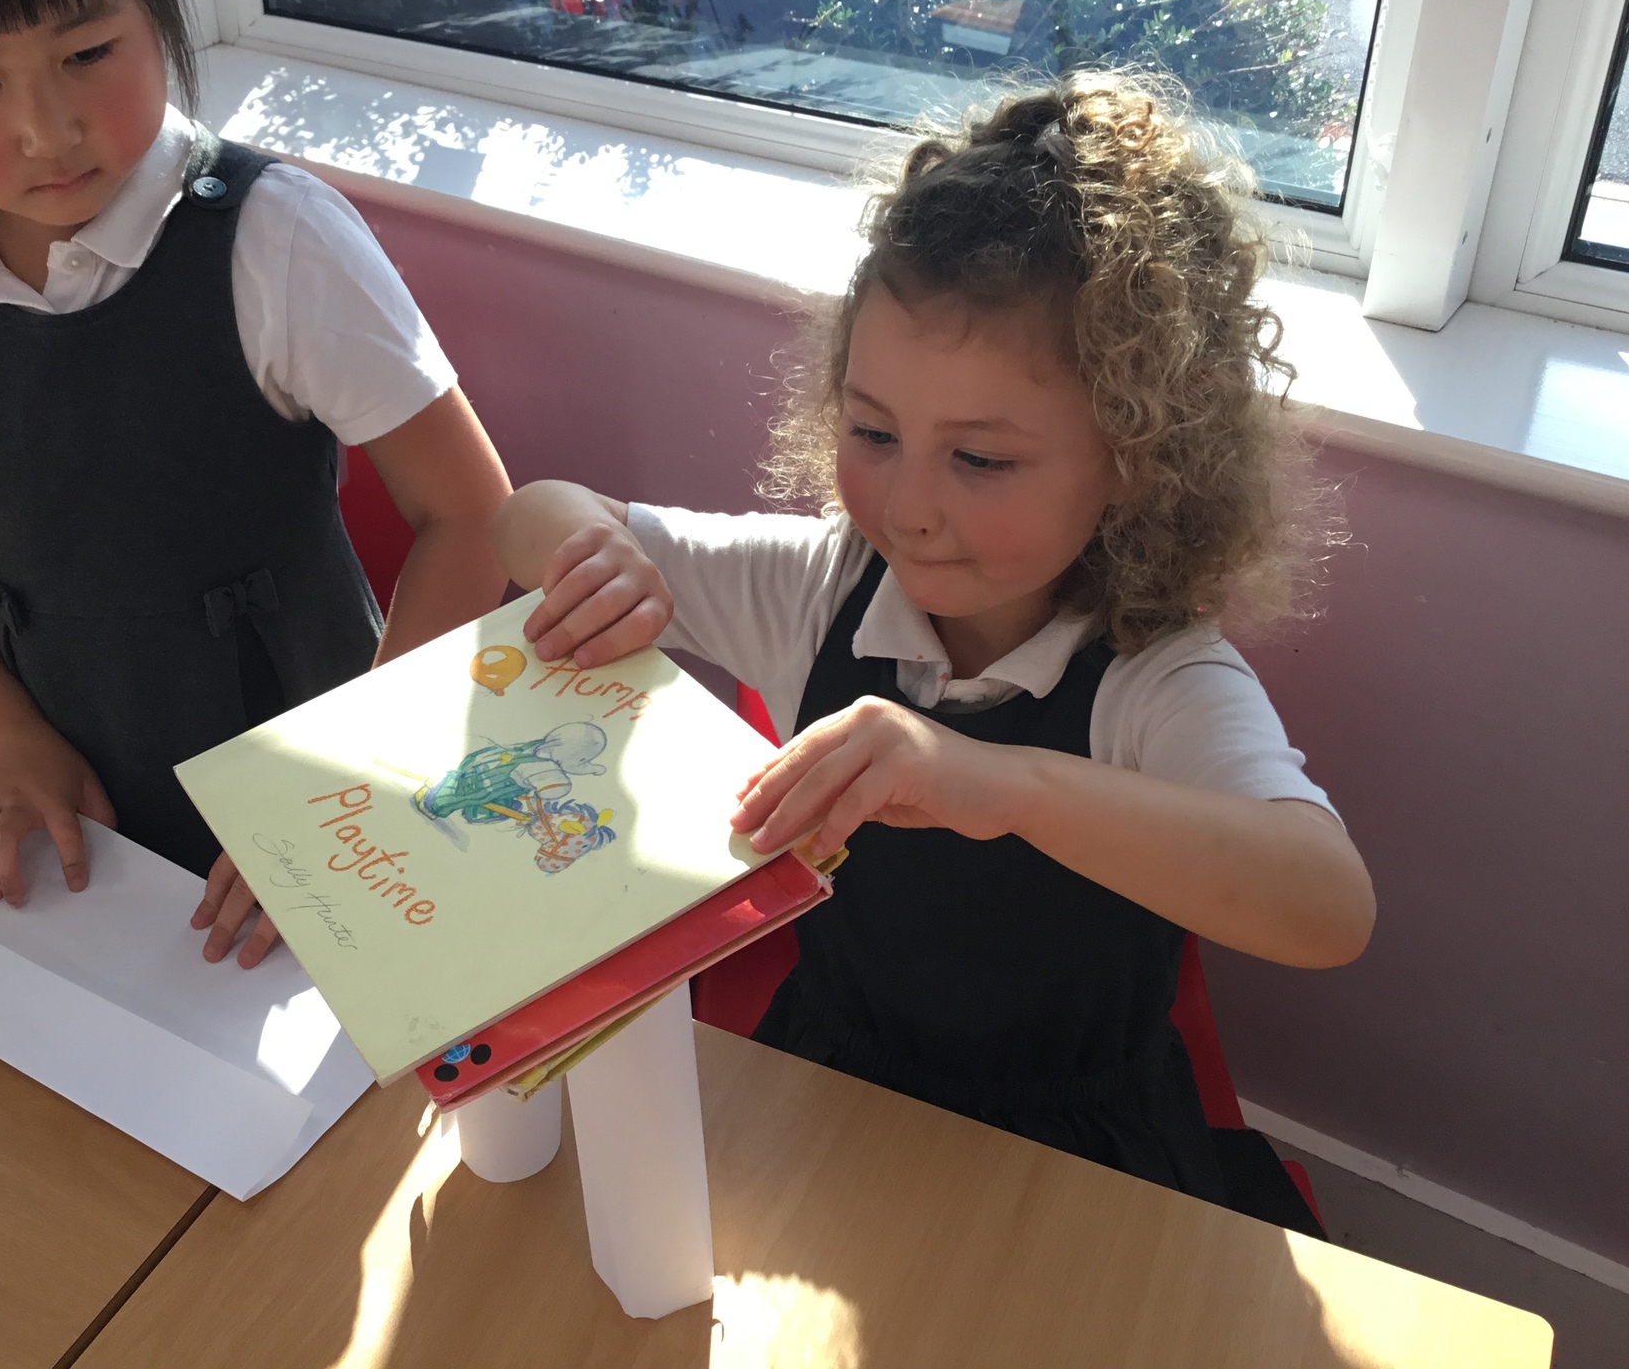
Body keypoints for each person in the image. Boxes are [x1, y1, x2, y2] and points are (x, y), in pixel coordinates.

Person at [492, 72, 1375, 1221]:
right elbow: (531, 513)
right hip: (824, 1094)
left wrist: (998, 785)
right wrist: (592, 555)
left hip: (1071, 1166)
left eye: (980, 459)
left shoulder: (1154, 678)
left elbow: (1324, 908)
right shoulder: (819, 588)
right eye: (871, 432)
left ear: (1135, 457)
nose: (905, 508)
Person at [0, 0, 510, 965]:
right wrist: (3, 734)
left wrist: (347, 786)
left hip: (323, 791)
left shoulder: (272, 238)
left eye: (89, 51)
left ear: (157, 1)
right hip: (77, 803)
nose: (48, 129)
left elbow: (471, 514)